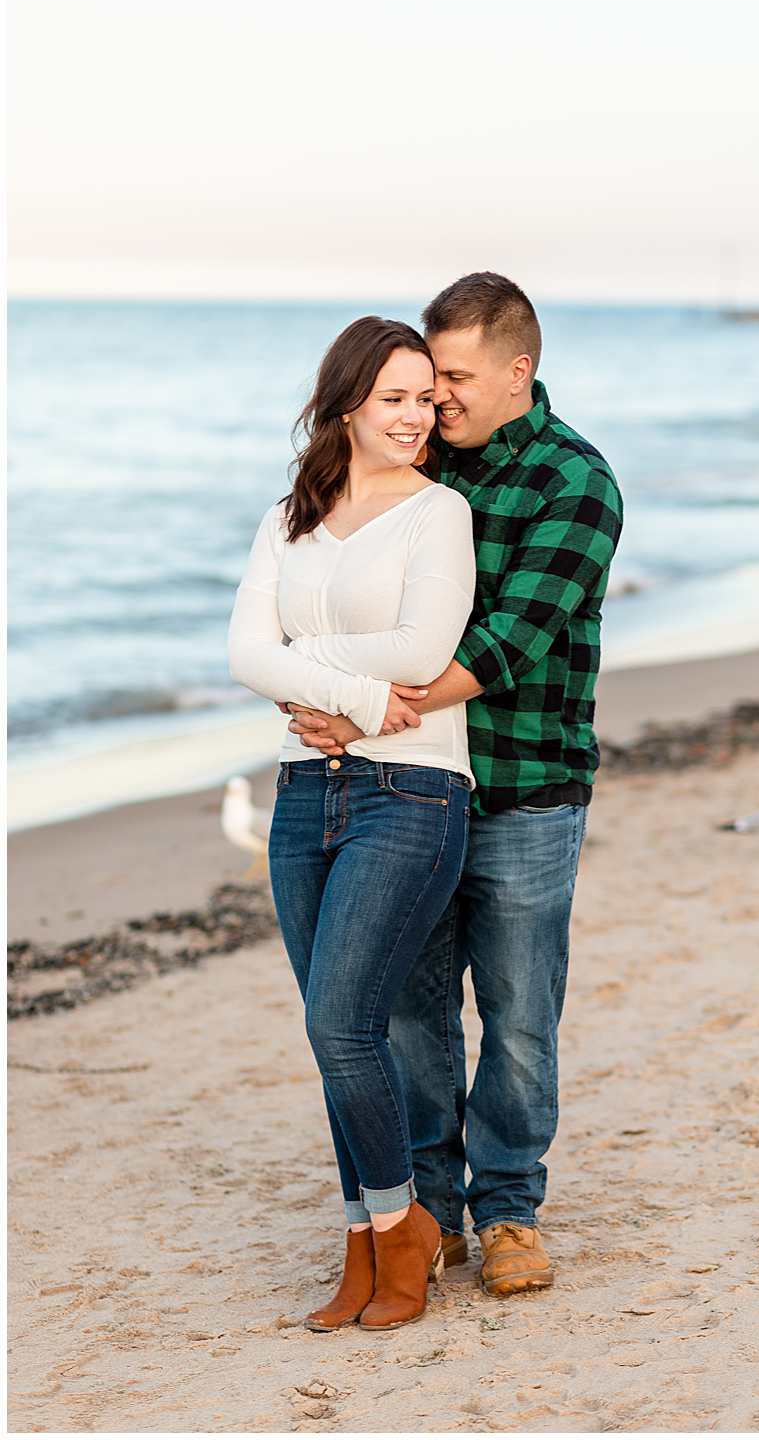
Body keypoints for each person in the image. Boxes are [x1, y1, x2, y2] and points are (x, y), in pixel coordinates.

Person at [285, 273, 623, 1299]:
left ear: (519, 370)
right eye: (428, 381)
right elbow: (332, 591)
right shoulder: (418, 472)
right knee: (407, 1013)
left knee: (519, 1011)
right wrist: (313, 680)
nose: (437, 400)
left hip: (524, 789)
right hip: (412, 792)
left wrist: (361, 707)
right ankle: (427, 1206)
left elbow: (509, 639)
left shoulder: (575, 481)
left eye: (457, 379)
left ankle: (510, 1206)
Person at [228, 316, 477, 1331]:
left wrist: (344, 683)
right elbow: (248, 651)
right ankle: (368, 1235)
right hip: (302, 790)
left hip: (413, 791)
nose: (419, 415)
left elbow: (427, 645)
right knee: (336, 1039)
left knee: (343, 1022)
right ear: (344, 404)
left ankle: (403, 1227)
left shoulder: (440, 513)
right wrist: (367, 699)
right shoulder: (290, 513)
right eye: (395, 399)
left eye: (426, 398)